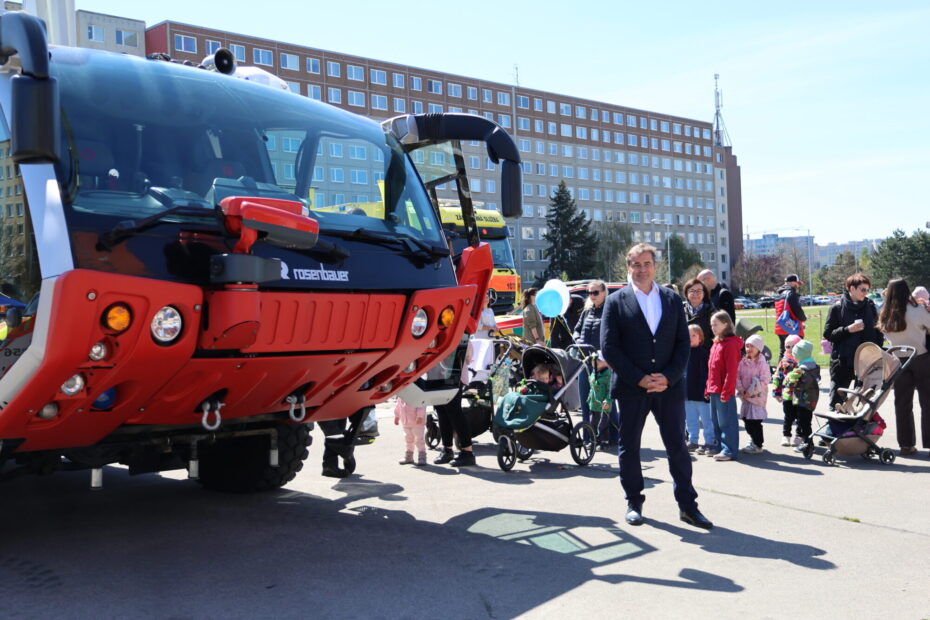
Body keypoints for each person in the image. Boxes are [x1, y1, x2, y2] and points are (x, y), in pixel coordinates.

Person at [601, 243, 712, 529]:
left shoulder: (671, 299)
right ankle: (634, 502)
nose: (641, 269)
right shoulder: (615, 301)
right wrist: (639, 377)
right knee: (630, 447)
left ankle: (688, 506)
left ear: (655, 266)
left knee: (677, 446)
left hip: (669, 388)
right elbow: (609, 348)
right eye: (635, 265)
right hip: (631, 387)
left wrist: (669, 376)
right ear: (628, 267)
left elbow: (682, 344)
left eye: (646, 264)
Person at [876, 279, 930, 457]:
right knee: (927, 402)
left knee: (902, 403)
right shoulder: (918, 310)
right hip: (921, 357)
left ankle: (906, 444)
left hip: (898, 359)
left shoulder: (884, 313)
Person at [823, 273, 883, 411]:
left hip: (866, 362)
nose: (866, 293)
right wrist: (847, 330)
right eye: (863, 289)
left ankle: (856, 430)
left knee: (863, 402)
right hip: (843, 360)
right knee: (836, 402)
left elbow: (878, 331)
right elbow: (828, 334)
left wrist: (878, 352)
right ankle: (833, 429)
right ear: (852, 288)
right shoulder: (837, 308)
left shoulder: (870, 306)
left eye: (868, 290)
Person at [574, 279, 619, 445]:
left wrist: (606, 361)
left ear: (604, 292)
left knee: (607, 403)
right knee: (587, 401)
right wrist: (578, 341)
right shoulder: (587, 312)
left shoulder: (611, 311)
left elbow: (616, 337)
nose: (591, 296)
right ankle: (589, 436)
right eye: (589, 293)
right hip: (586, 362)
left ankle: (612, 437)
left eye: (595, 292)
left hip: (605, 364)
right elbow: (577, 330)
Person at [706, 310, 743, 462]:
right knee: (715, 421)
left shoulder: (731, 344)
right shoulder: (716, 343)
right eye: (711, 325)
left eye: (716, 324)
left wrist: (726, 392)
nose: (713, 327)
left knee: (726, 421)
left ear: (726, 324)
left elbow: (731, 370)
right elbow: (711, 368)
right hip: (714, 389)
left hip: (723, 391)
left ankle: (729, 450)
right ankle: (719, 446)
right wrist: (708, 387)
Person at [737, 334, 771, 454]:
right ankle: (753, 439)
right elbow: (738, 376)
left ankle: (758, 444)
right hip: (745, 397)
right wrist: (741, 389)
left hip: (757, 398)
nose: (749, 349)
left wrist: (751, 391)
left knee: (755, 422)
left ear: (759, 349)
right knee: (746, 420)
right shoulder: (743, 361)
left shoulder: (762, 363)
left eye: (753, 346)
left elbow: (765, 380)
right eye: (747, 346)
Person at [784, 340, 820, 452]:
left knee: (804, 423)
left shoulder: (804, 369)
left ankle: (808, 444)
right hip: (809, 399)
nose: (794, 356)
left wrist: (792, 380)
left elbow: (804, 383)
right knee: (805, 422)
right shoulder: (812, 365)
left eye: (795, 354)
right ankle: (807, 442)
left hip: (804, 400)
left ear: (801, 354)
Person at [684, 324, 715, 454]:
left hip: (702, 393)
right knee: (691, 419)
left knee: (707, 420)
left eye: (694, 335)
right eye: (688, 335)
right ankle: (693, 440)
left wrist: (707, 390)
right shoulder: (683, 353)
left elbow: (707, 374)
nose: (690, 338)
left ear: (700, 338)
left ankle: (710, 441)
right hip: (687, 393)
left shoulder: (704, 353)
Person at [772, 333, 803, 446]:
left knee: (800, 416)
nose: (790, 349)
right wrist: (776, 391)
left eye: (793, 346)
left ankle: (799, 436)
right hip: (788, 394)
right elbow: (777, 377)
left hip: (800, 394)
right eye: (787, 346)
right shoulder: (784, 361)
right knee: (788, 416)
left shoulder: (803, 360)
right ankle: (786, 435)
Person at [774, 274, 807, 358]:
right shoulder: (791, 294)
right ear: (792, 283)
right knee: (796, 353)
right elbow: (798, 311)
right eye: (797, 283)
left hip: (780, 327)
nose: (798, 285)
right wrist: (804, 319)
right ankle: (794, 371)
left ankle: (781, 370)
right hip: (791, 328)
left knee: (783, 352)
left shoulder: (778, 294)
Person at [682, 277, 715, 348]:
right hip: (684, 353)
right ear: (686, 293)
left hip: (705, 354)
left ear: (704, 293)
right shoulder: (680, 310)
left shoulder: (712, 312)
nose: (695, 294)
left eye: (699, 291)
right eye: (692, 291)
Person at [394, 397, 427, 466]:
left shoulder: (416, 394)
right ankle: (409, 456)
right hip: (405, 422)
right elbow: (398, 405)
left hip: (417, 422)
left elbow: (421, 405)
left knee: (419, 440)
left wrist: (420, 416)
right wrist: (397, 416)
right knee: (408, 439)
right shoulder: (402, 395)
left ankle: (422, 457)